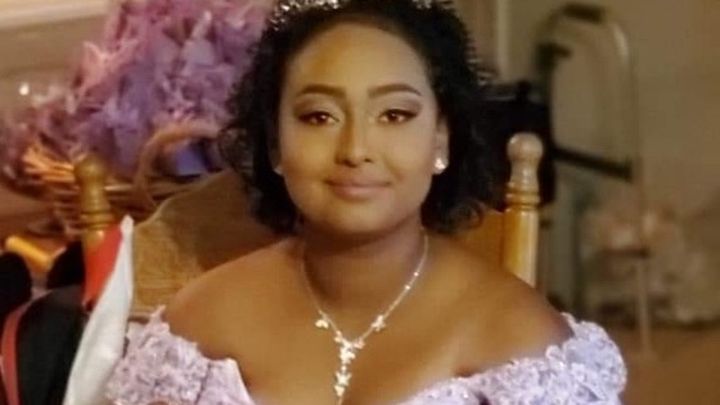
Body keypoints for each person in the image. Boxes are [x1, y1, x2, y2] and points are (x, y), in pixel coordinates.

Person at [105, 0, 626, 404]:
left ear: (441, 140)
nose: (355, 150)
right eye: (319, 117)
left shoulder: (523, 343)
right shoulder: (197, 330)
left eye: (395, 115)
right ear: (275, 145)